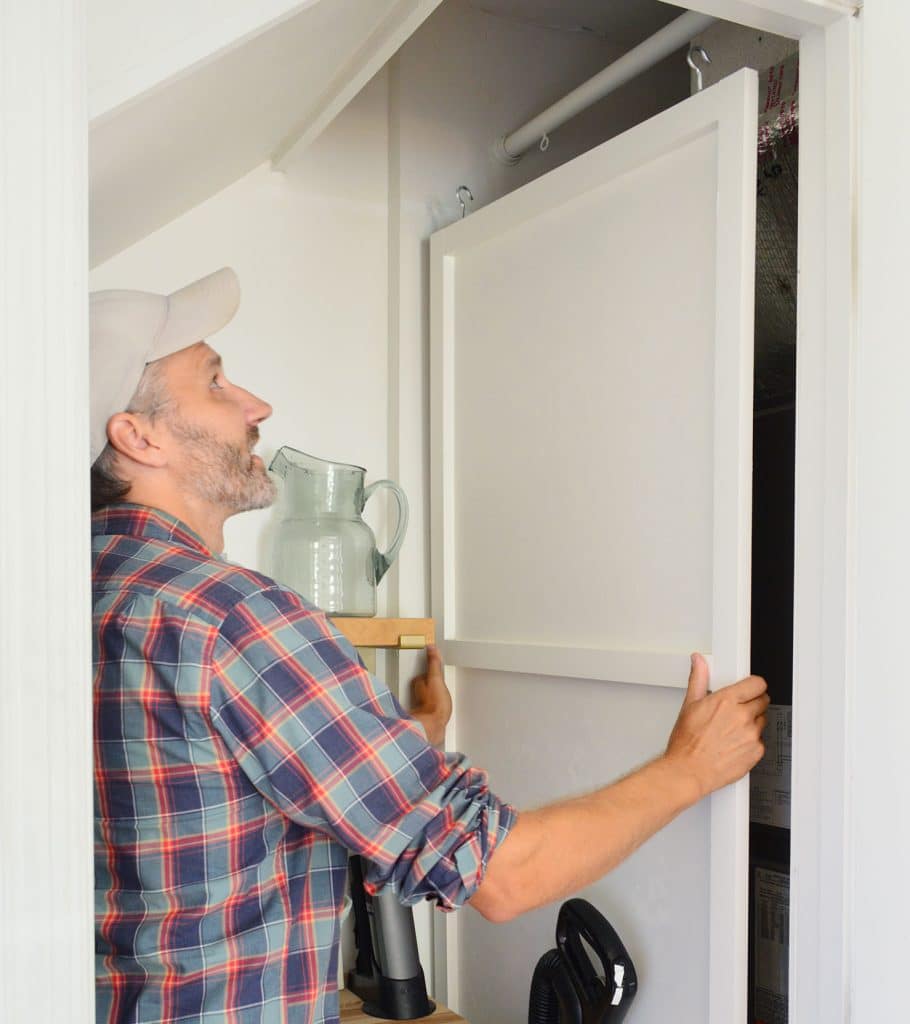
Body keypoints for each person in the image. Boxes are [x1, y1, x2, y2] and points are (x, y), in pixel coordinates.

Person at [91, 267, 768, 1024]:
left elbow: (189, 811)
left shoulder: (68, 598)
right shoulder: (233, 619)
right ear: (137, 435)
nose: (256, 406)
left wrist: (401, 745)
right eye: (216, 382)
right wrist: (688, 770)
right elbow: (502, 877)